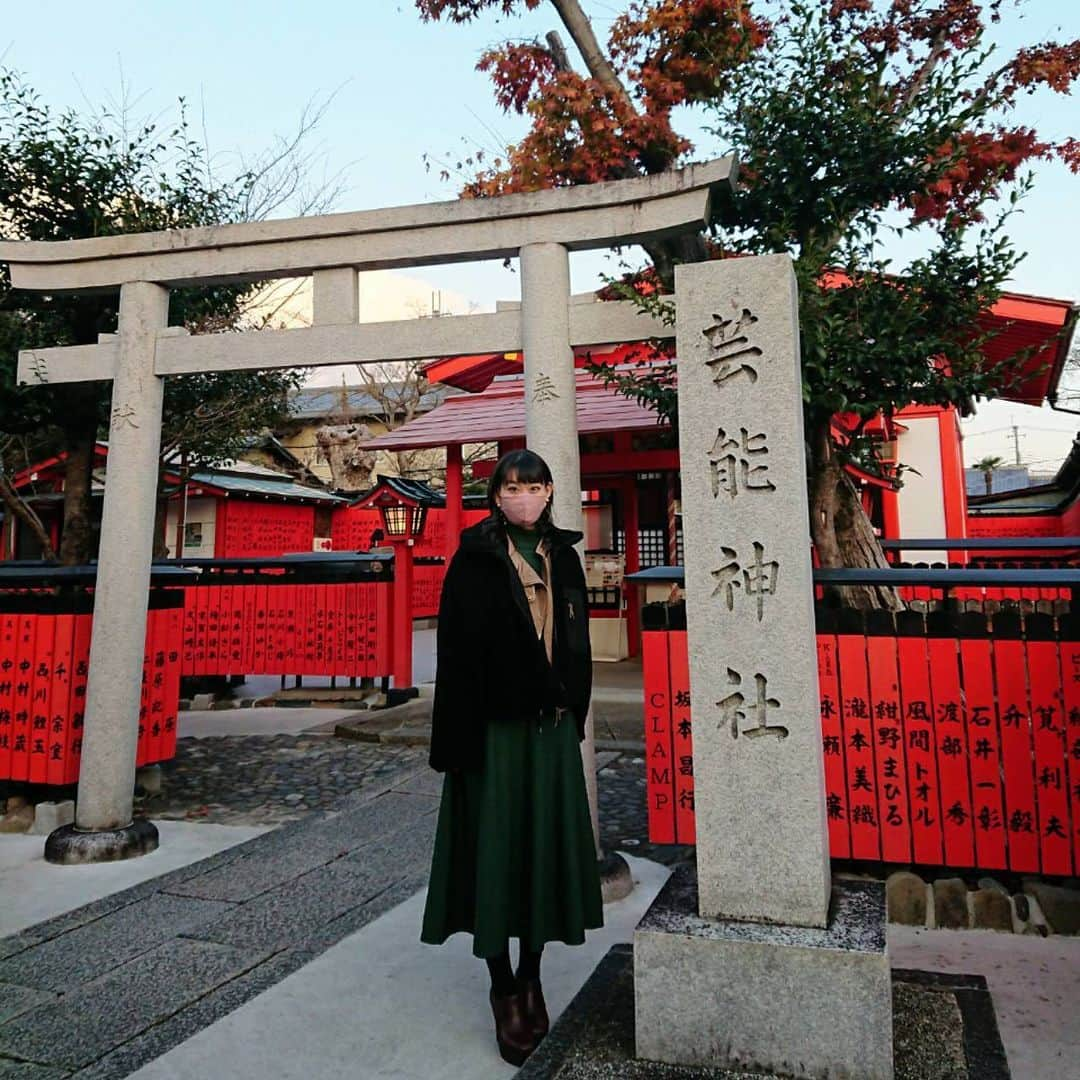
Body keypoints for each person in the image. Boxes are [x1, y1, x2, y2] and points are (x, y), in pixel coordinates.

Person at [420, 448, 603, 1066]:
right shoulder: (474, 560)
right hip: (492, 731)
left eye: (534, 485)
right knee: (495, 846)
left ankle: (532, 972)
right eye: (512, 487)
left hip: (550, 732)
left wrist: (572, 713)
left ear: (550, 491)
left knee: (540, 846)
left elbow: (576, 647)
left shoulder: (566, 556)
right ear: (496, 495)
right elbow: (455, 657)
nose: (524, 495)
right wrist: (455, 739)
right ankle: (501, 984)